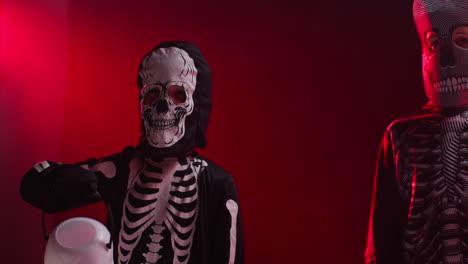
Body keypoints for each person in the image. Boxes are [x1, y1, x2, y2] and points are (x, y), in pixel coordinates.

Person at [20, 41, 244, 264]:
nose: (162, 105)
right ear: (142, 101)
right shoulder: (122, 170)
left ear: (197, 102)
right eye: (152, 94)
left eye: (179, 94)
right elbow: (35, 183)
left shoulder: (215, 182)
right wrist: (56, 181)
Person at [365, 0, 468, 263]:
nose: (445, 59)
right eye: (434, 43)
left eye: (463, 41)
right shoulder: (401, 134)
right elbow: (382, 232)